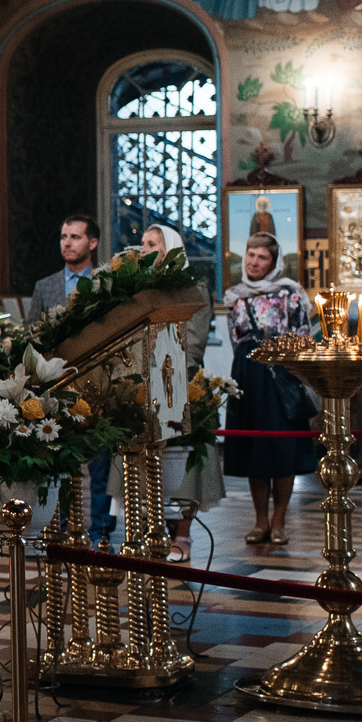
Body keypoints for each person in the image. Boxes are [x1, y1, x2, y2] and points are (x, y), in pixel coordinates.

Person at [224, 232, 319, 547]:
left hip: (280, 378)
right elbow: (236, 340)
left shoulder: (290, 293)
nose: (254, 262)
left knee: (281, 450)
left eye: (262, 257)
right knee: (254, 450)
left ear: (274, 261)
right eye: (250, 254)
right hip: (248, 376)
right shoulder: (235, 297)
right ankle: (259, 520)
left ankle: (279, 520)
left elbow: (303, 337)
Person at [31, 215, 114, 543]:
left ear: (91, 243)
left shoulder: (105, 281)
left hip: (97, 384)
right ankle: (63, 526)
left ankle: (100, 530)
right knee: (60, 462)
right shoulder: (46, 286)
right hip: (57, 385)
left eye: (75, 237)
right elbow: (32, 336)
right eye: (64, 236)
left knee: (99, 466)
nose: (67, 242)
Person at [144, 224, 221, 561]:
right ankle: (154, 530)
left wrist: (171, 375)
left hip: (181, 383)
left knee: (184, 461)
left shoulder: (195, 289)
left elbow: (195, 340)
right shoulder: (138, 289)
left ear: (171, 249)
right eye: (143, 243)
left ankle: (184, 535)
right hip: (144, 383)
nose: (144, 249)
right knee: (150, 462)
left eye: (152, 244)